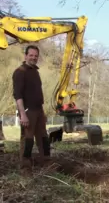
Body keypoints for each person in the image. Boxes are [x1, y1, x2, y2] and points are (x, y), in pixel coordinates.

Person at [12, 45, 50, 175]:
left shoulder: (35, 71)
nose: (33, 58)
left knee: (43, 137)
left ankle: (46, 163)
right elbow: (18, 95)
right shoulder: (20, 72)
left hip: (39, 110)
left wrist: (42, 112)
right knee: (28, 139)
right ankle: (25, 167)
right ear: (25, 56)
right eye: (31, 55)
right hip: (28, 111)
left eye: (36, 56)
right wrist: (23, 114)